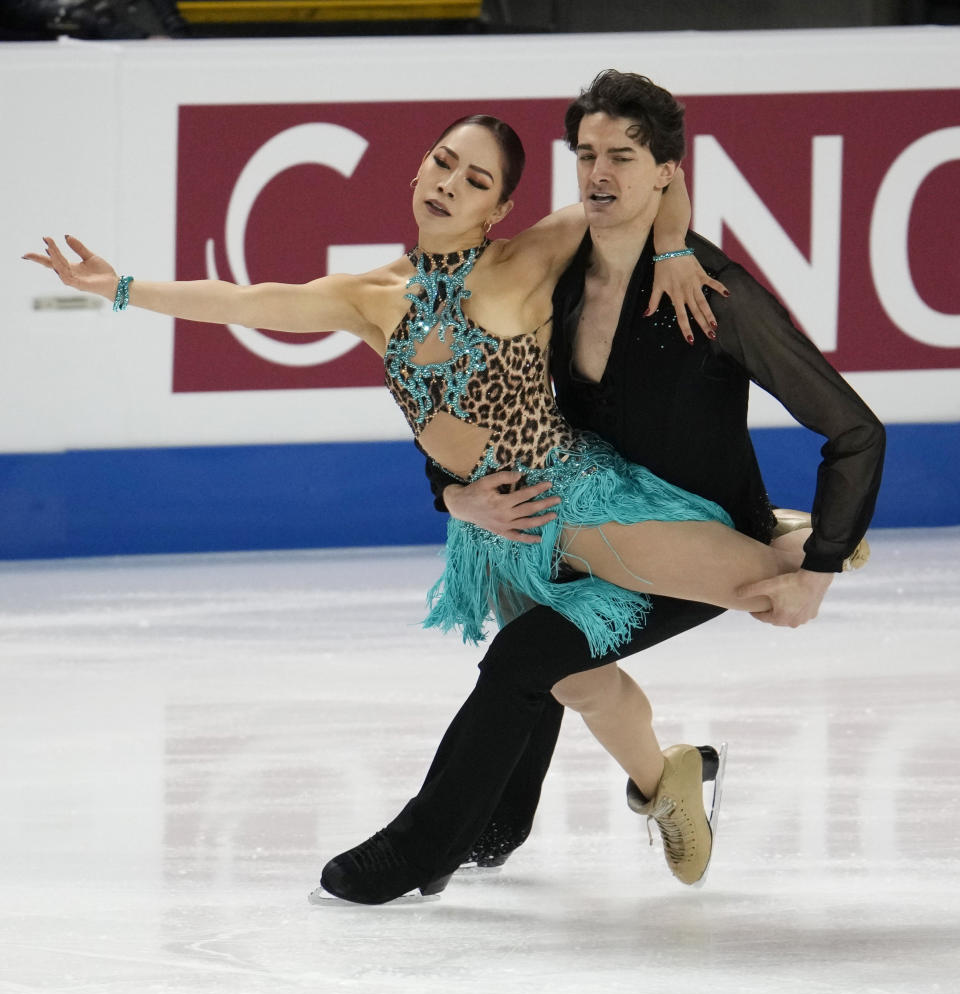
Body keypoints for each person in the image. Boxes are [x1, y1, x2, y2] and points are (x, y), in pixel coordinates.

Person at [23, 88, 876, 901]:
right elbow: (245, 300)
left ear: (497, 209)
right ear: (416, 172)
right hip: (491, 534)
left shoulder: (529, 259)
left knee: (764, 586)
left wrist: (677, 249)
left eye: (476, 181)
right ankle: (668, 780)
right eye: (442, 164)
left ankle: (798, 534)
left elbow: (658, 181)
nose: (449, 184)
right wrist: (120, 289)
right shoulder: (367, 298)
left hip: (573, 500)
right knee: (576, 682)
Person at [316, 71, 885, 905]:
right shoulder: (561, 273)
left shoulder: (713, 296)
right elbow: (470, 395)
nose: (599, 172)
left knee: (526, 655)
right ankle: (569, 804)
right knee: (562, 668)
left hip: (687, 542)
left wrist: (822, 567)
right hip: (586, 507)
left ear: (665, 172)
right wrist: (451, 491)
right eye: (586, 154)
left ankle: (419, 849)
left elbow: (856, 429)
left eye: (623, 155)